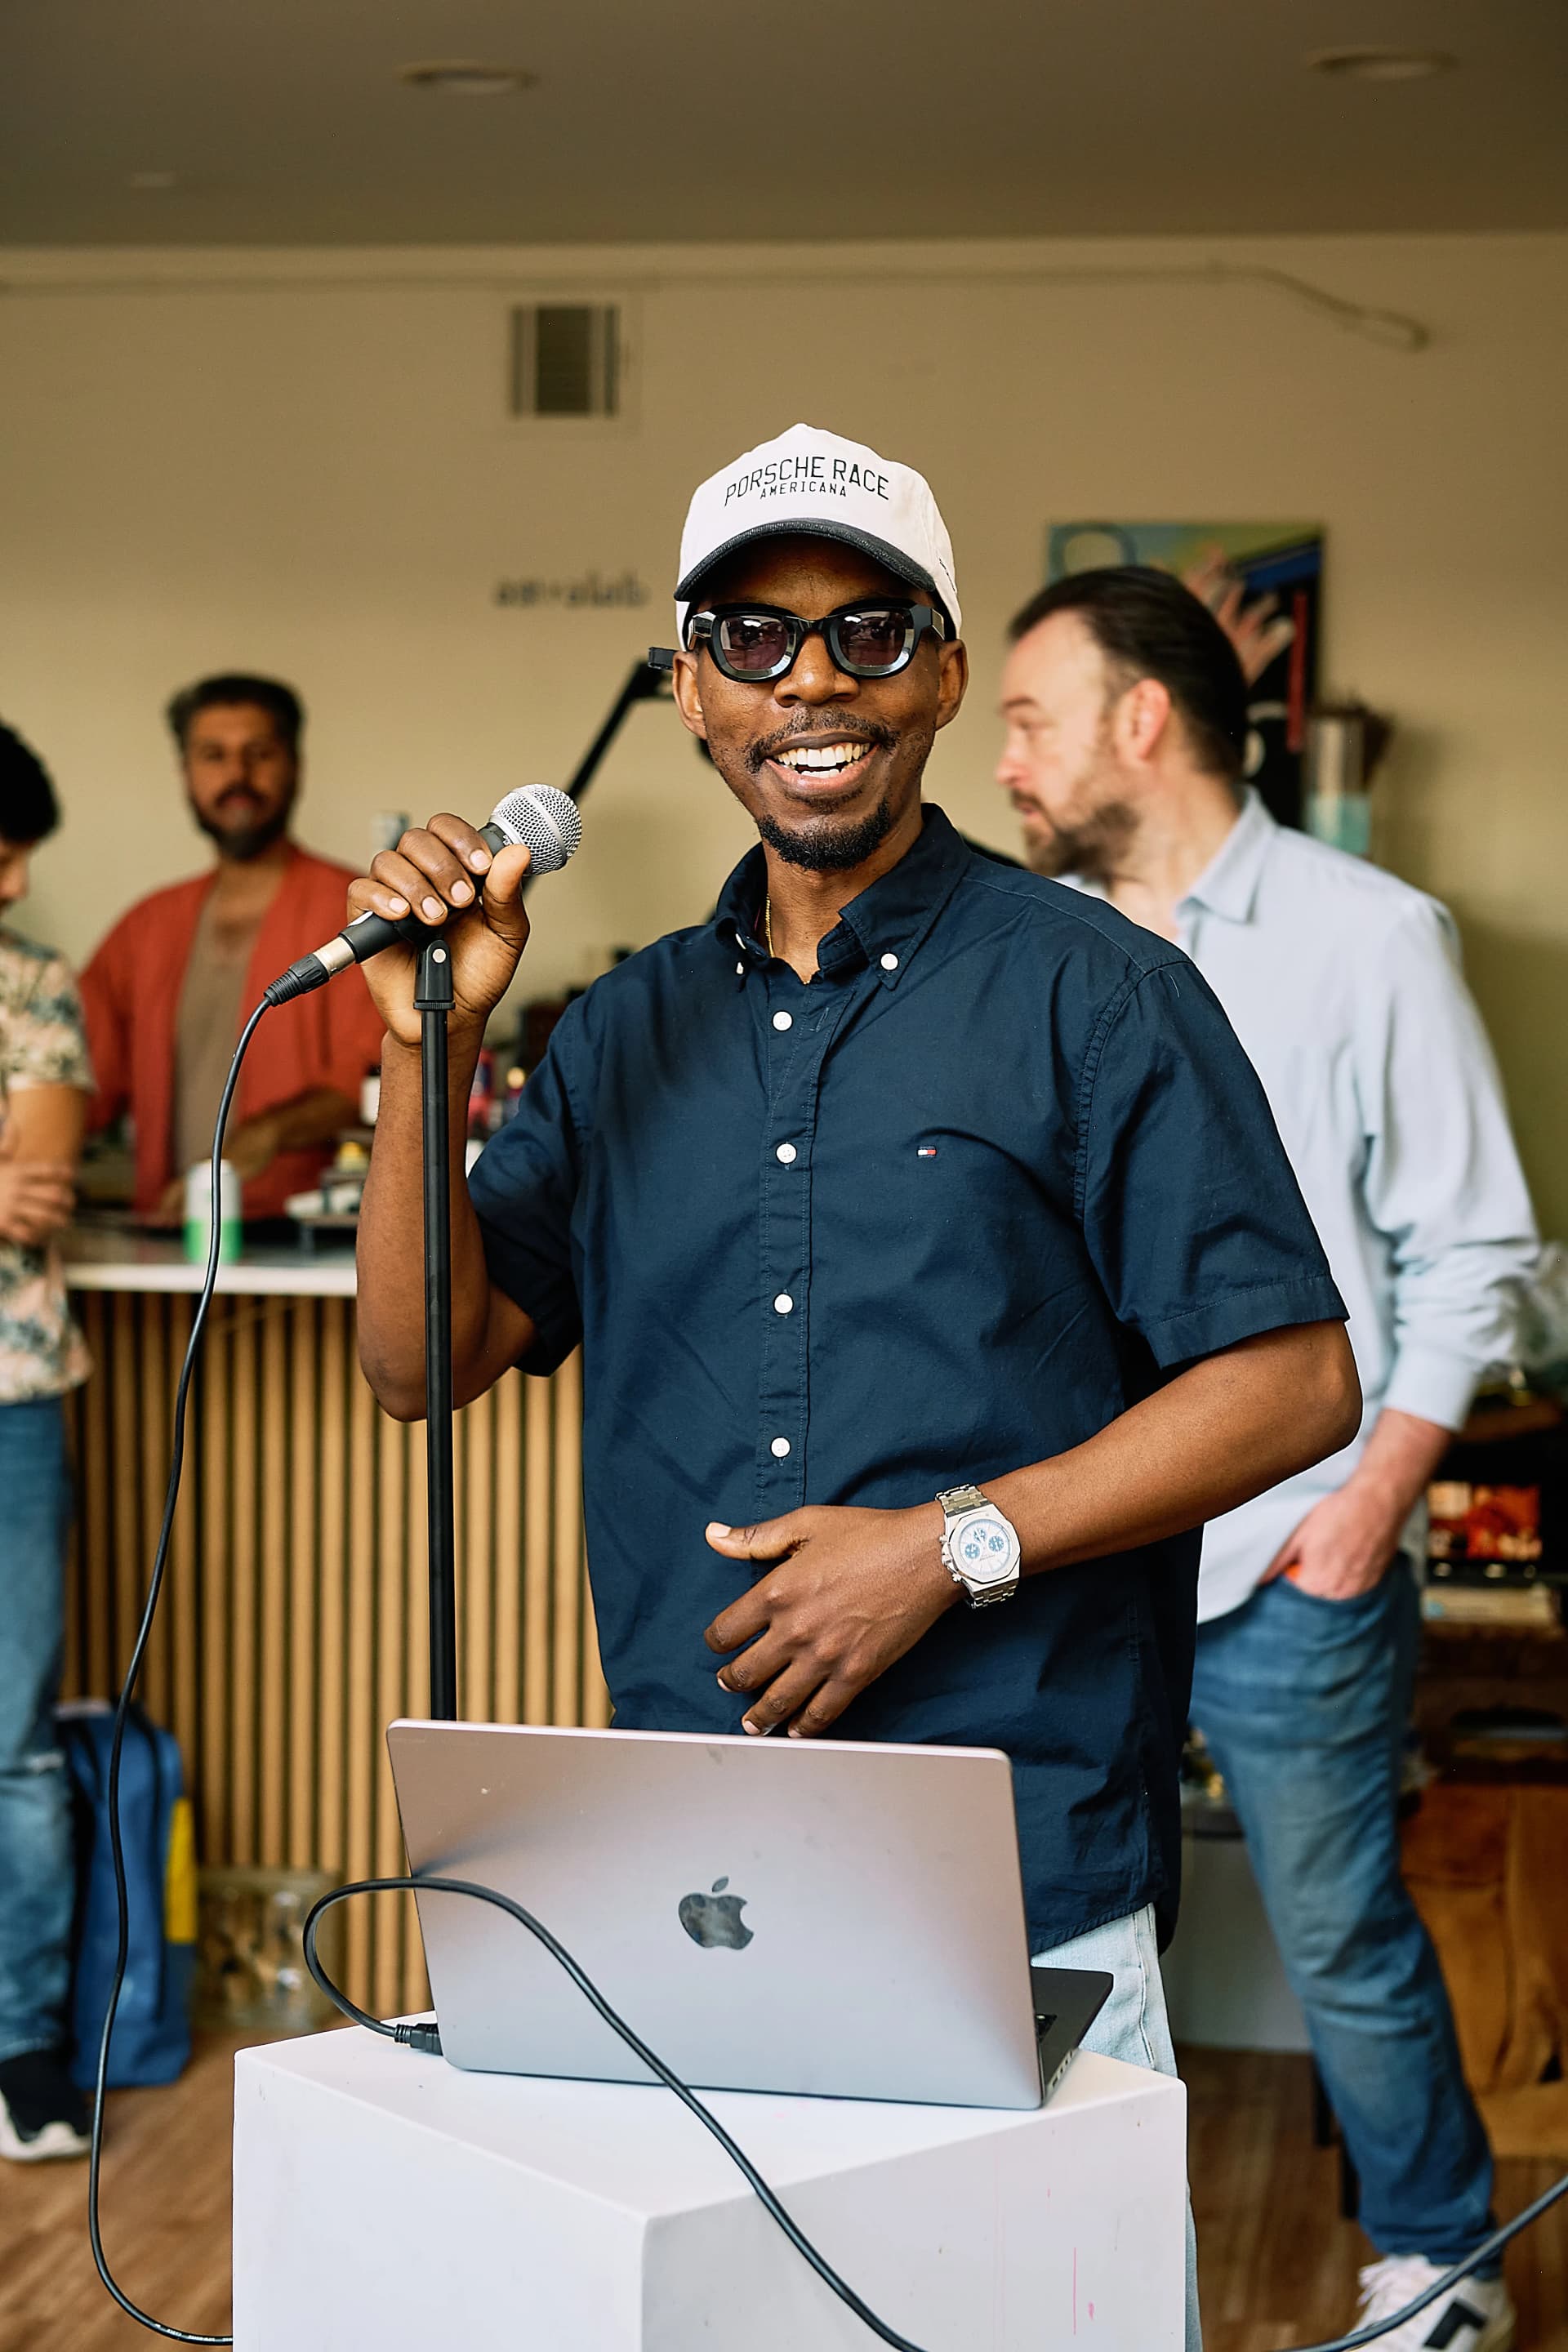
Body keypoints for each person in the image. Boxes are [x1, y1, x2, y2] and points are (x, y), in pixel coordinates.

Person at [352, 425, 1361, 2352]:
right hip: (682, 1875)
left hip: (1019, 1872)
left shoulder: (1094, 989)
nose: (811, 680)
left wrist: (949, 1547)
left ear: (944, 673)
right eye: (753, 635)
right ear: (686, 690)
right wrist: (433, 1037)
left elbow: (1293, 1380)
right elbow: (421, 1361)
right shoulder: (625, 1023)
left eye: (867, 631)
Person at [998, 563, 1537, 2352]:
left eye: (1027, 718)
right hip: (1074, 1554)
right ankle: (1050, 2278)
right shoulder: (1035, 954)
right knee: (1060, 1944)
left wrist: (1372, 1496)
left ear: (1140, 721)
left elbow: (1479, 1253)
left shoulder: (1371, 936)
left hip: (1293, 1558)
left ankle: (1440, 2264)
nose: (1001, 762)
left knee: (1338, 1941)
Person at [80, 674, 383, 1223]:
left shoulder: (358, 914)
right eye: (214, 755)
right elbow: (82, 1082)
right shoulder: (145, 926)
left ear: (295, 765)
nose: (237, 776)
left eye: (259, 753)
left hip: (304, 1243)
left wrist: (269, 1132)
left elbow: (376, 1083)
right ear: (186, 773)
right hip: (166, 1239)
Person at [0, 722, 95, 2162]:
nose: (18, 872)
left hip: (11, 1398)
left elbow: (36, 1190)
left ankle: (19, 2051)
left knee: (11, 1748)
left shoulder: (35, 988)